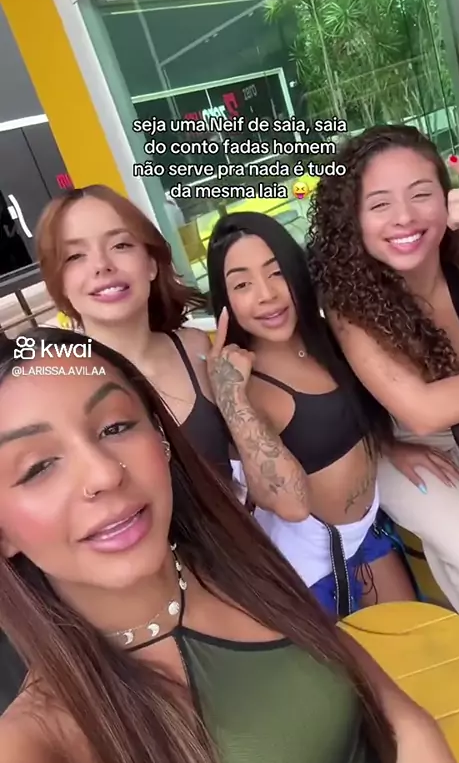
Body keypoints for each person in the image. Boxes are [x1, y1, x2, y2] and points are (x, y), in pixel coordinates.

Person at [0, 329, 459, 763]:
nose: (103, 473)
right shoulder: (40, 736)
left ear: (161, 436)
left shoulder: (225, 556)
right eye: (38, 467)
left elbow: (386, 703)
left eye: (115, 426)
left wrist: (417, 733)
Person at [35, 185, 310, 519]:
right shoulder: (57, 389)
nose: (102, 265)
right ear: (59, 282)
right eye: (75, 256)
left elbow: (288, 502)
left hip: (247, 545)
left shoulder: (195, 348)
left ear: (151, 263)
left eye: (121, 245)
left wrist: (234, 398)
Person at [205, 211, 430, 617]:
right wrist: (231, 396)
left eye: (276, 272)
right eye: (242, 284)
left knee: (419, 641)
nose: (266, 294)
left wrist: (392, 448)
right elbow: (289, 504)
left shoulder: (329, 338)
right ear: (226, 303)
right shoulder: (246, 386)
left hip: (365, 536)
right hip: (310, 570)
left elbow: (354, 416)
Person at [308, 123, 459, 623]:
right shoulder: (347, 301)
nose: (404, 216)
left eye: (421, 194)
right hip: (402, 445)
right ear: (353, 219)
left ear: (447, 199)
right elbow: (422, 411)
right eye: (379, 203)